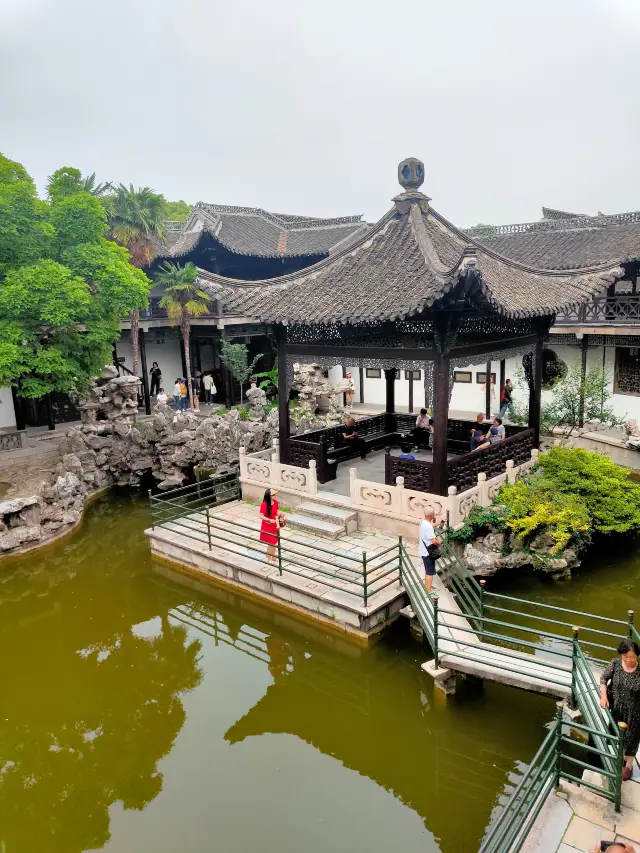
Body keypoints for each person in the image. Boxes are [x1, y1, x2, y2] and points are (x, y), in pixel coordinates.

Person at [600, 638, 640, 781]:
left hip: (634, 712)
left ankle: (628, 766)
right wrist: (603, 696)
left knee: (631, 739)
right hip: (617, 708)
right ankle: (621, 757)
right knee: (616, 735)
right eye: (626, 656)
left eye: (632, 657)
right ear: (621, 655)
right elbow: (603, 679)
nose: (629, 659)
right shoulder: (615, 664)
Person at [418, 508, 440, 594]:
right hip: (428, 552)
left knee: (427, 569)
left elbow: (430, 526)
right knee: (429, 571)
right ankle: (428, 590)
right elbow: (433, 541)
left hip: (423, 550)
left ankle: (426, 585)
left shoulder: (422, 522)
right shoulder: (428, 527)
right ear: (432, 515)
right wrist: (439, 544)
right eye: (434, 513)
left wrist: (438, 523)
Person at [259, 488, 281, 564]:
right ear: (269, 496)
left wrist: (280, 514)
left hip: (274, 524)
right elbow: (261, 515)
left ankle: (273, 556)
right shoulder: (265, 504)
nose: (275, 496)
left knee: (274, 541)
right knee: (271, 543)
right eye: (273, 495)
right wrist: (268, 520)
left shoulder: (275, 502)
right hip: (268, 525)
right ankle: (268, 558)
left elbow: (277, 511)